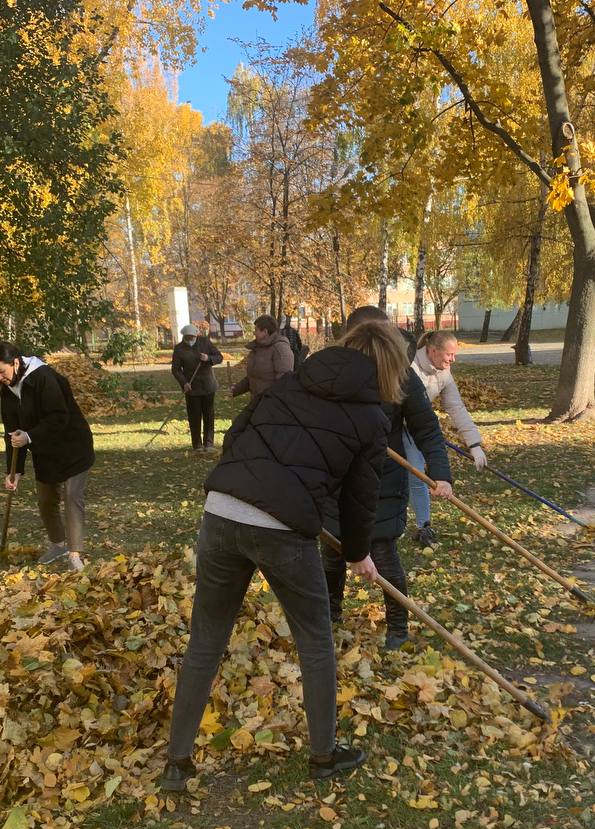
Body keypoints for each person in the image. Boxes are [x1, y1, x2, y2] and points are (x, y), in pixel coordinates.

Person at [161, 320, 409, 792]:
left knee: (205, 641)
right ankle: (324, 756)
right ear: (389, 367)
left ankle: (177, 762)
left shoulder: (288, 384)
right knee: (315, 640)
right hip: (281, 532)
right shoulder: (372, 417)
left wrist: (246, 486)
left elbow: (235, 436)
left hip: (221, 511)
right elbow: (361, 499)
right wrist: (359, 553)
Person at [320, 306, 452, 651]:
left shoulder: (401, 375)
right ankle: (330, 618)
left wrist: (440, 474)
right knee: (332, 551)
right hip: (336, 477)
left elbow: (427, 429)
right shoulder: (332, 371)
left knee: (382, 551)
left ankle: (397, 628)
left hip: (383, 479)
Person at [0, 342, 95, 572]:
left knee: (72, 496)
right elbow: (12, 434)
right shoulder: (7, 392)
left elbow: (59, 417)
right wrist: (14, 472)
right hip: (44, 451)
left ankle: (75, 554)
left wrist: (29, 436)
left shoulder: (44, 378)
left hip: (73, 446)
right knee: (45, 501)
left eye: (0, 371)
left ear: (15, 362)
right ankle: (59, 545)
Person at [405, 329, 486, 547]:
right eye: (449, 354)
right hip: (398, 424)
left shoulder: (444, 373)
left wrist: (474, 444)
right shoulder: (409, 366)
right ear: (432, 351)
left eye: (454, 354)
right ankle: (416, 525)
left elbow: (456, 407)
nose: (453, 359)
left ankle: (423, 526)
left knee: (416, 472)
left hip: (419, 425)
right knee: (416, 471)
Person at [171, 323, 223, 452]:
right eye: (188, 338)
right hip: (191, 388)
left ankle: (209, 444)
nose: (190, 340)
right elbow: (176, 369)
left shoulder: (205, 342)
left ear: (196, 336)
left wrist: (208, 358)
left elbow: (219, 357)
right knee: (194, 416)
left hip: (208, 385)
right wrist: (184, 383)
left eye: (193, 337)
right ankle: (197, 445)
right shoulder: (179, 349)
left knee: (209, 415)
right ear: (184, 337)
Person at [231, 314, 294, 400]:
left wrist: (270, 402)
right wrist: (236, 389)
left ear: (265, 332)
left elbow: (283, 382)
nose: (254, 333)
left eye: (256, 330)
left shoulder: (280, 349)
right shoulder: (257, 348)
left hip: (271, 403)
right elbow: (253, 377)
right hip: (257, 401)